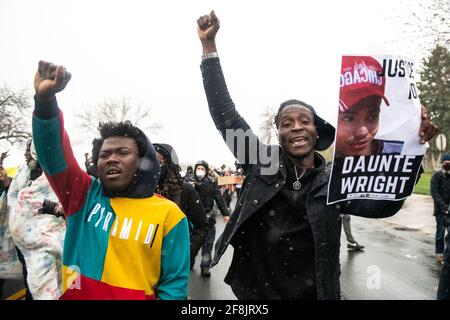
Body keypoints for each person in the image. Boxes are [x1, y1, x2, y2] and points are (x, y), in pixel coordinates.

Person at [197, 10, 438, 299]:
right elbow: (226, 116)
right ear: (279, 134)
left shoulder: (334, 180)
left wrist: (415, 149)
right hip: (256, 294)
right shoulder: (261, 161)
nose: (296, 127)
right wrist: (208, 47)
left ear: (316, 130)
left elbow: (384, 207)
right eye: (287, 123)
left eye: (304, 121)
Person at [32, 60, 190, 300]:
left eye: (123, 153)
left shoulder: (170, 216)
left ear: (141, 162)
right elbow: (53, 156)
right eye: (104, 154)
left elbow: (174, 287)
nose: (111, 159)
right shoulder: (83, 196)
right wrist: (45, 104)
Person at [6, 139, 66, 300]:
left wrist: (53, 207)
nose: (26, 155)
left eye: (28, 151)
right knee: (32, 282)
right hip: (26, 247)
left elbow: (68, 204)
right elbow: (14, 197)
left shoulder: (55, 174)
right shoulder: (23, 173)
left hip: (49, 244)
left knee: (49, 285)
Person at [153, 143, 209, 270]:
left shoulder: (184, 191)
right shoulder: (141, 190)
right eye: (150, 161)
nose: (153, 166)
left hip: (172, 266)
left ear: (169, 164)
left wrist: (186, 254)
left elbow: (202, 227)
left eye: (159, 162)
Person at [335, 56, 405, 158]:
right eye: (348, 118)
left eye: (372, 117)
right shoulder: (317, 162)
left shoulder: (398, 154)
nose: (363, 132)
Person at [192, 160, 230, 277]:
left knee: (208, 245)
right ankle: (189, 263)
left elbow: (218, 197)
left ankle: (205, 266)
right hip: (193, 220)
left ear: (207, 171)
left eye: (203, 169)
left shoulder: (212, 183)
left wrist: (225, 213)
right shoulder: (189, 183)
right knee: (192, 244)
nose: (200, 171)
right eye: (198, 168)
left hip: (208, 218)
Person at [430, 153, 450, 264]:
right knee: (440, 233)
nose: (447, 165)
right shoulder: (437, 176)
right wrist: (444, 207)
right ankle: (439, 255)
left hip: (449, 211)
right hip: (440, 211)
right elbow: (434, 193)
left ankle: (447, 254)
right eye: (446, 163)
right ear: (442, 163)